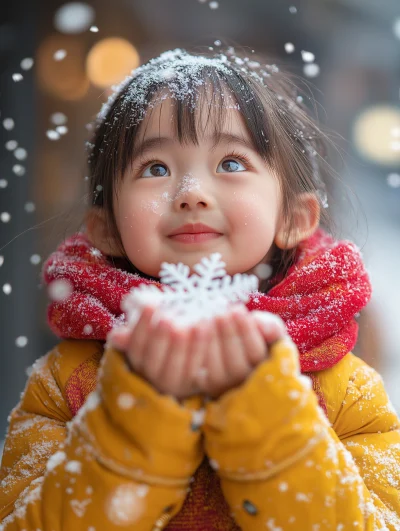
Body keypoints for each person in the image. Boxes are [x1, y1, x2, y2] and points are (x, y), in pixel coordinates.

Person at [1, 48, 399, 530]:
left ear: (294, 218)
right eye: (155, 168)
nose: (191, 190)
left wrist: (267, 413)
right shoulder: (65, 384)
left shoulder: (345, 388)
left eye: (231, 163)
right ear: (105, 228)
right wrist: (137, 408)